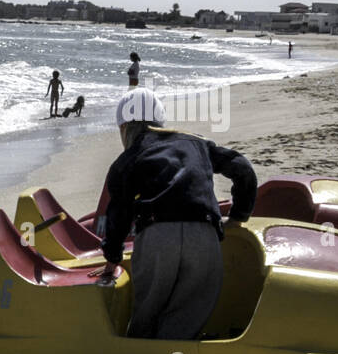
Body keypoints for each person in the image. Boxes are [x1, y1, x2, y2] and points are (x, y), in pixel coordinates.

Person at [94, 89, 257, 340]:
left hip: (158, 236)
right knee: (185, 320)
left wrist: (112, 257)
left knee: (145, 317)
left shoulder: (126, 161)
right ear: (160, 121)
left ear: (124, 127)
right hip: (204, 236)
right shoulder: (196, 142)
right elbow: (244, 170)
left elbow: (120, 214)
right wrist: (238, 216)